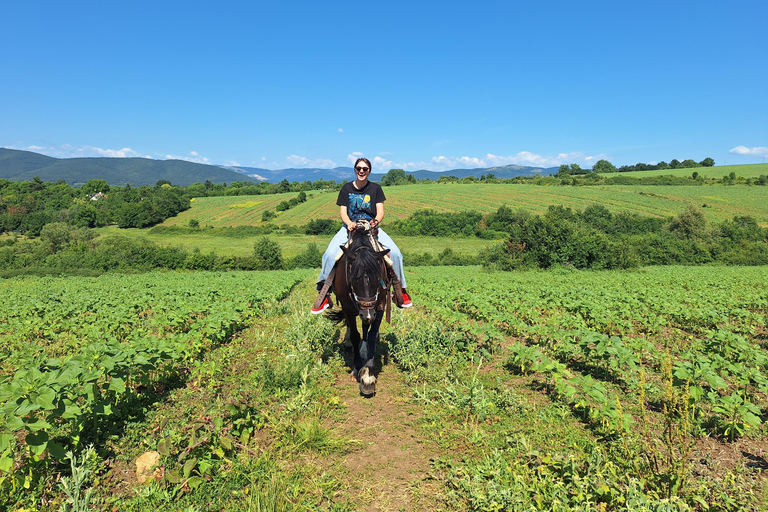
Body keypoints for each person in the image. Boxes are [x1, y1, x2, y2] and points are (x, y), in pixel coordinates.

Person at [311, 157, 412, 314]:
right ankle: (324, 292)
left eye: (365, 169)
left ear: (369, 171)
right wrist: (349, 223)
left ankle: (401, 291)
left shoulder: (376, 189)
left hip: (371, 227)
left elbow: (380, 211)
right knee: (330, 254)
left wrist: (375, 221)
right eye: (359, 168)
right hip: (349, 227)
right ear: (355, 170)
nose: (361, 171)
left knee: (396, 254)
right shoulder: (346, 189)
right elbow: (343, 212)